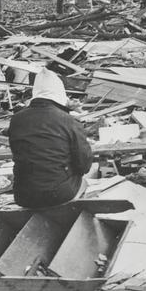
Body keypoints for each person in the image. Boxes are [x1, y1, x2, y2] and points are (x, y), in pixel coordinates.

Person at [8, 68, 93, 208]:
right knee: (85, 181)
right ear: (60, 94)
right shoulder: (68, 121)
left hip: (23, 196)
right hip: (59, 194)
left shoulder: (16, 120)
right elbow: (84, 165)